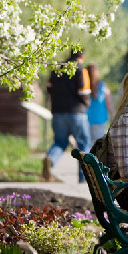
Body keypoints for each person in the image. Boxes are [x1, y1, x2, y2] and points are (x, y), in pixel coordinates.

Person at [46, 49, 92, 183]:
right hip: (77, 113)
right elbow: (84, 93)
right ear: (82, 56)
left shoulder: (57, 69)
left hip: (57, 112)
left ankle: (50, 159)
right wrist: (86, 104)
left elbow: (49, 88)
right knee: (83, 144)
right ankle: (83, 178)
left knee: (60, 141)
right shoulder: (81, 70)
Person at [86, 63, 114, 143]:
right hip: (100, 120)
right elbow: (109, 104)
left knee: (88, 145)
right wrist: (113, 116)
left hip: (86, 119)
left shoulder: (84, 86)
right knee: (98, 146)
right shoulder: (102, 86)